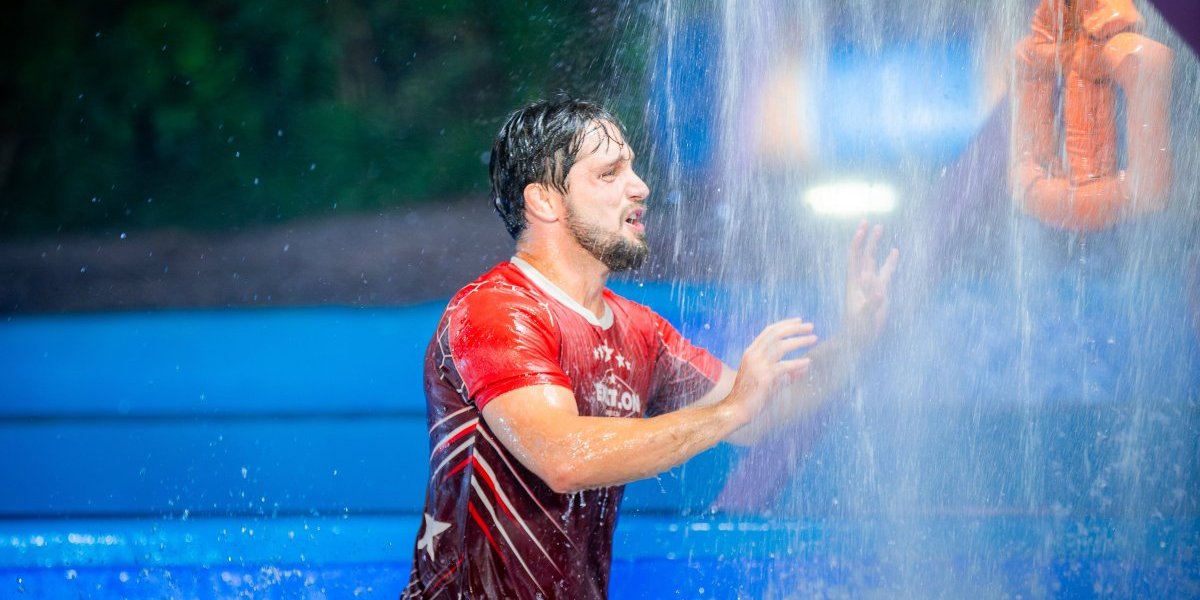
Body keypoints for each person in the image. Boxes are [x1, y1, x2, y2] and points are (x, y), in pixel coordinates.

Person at [401, 95, 899, 599]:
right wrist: (731, 411)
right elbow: (564, 457)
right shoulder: (495, 311)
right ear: (544, 201)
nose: (640, 186)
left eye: (632, 168)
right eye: (609, 174)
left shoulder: (641, 332)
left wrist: (854, 341)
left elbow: (761, 410)